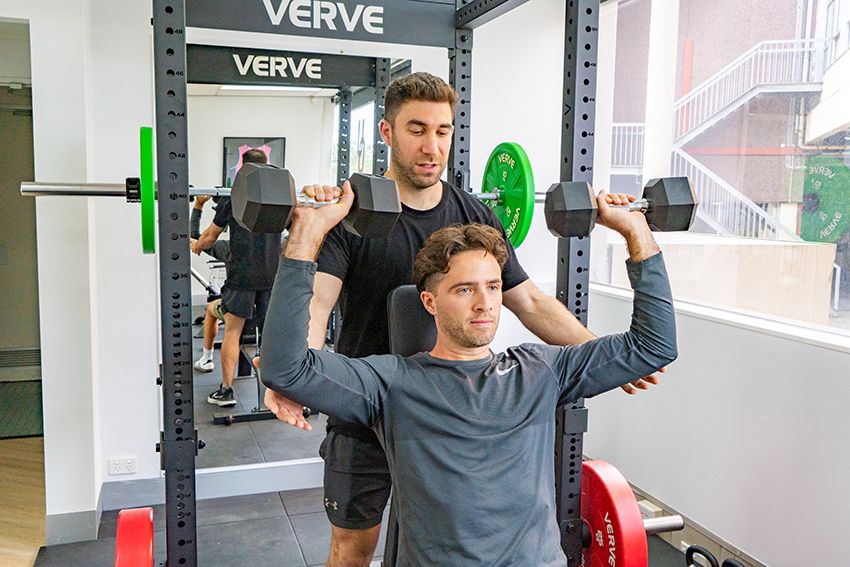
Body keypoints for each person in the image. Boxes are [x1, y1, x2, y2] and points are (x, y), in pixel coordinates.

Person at [263, 71, 659, 567]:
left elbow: (528, 301)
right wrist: (298, 373)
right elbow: (317, 307)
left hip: (446, 416)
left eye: (443, 130)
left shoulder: (474, 216)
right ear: (387, 132)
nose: (432, 146)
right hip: (367, 404)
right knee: (353, 546)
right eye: (416, 129)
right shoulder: (355, 218)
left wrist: (602, 355)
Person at [191, 148, 281, 406]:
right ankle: (280, 391)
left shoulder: (233, 198)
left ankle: (227, 391)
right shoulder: (279, 196)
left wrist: (198, 231)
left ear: (242, 169)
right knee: (271, 337)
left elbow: (207, 239)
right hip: (271, 277)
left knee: (232, 332)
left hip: (242, 277)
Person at [191, 195, 230, 373]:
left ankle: (207, 359)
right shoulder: (279, 244)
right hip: (267, 309)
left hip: (237, 308)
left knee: (211, 310)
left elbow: (195, 240)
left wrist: (199, 204)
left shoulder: (229, 248)